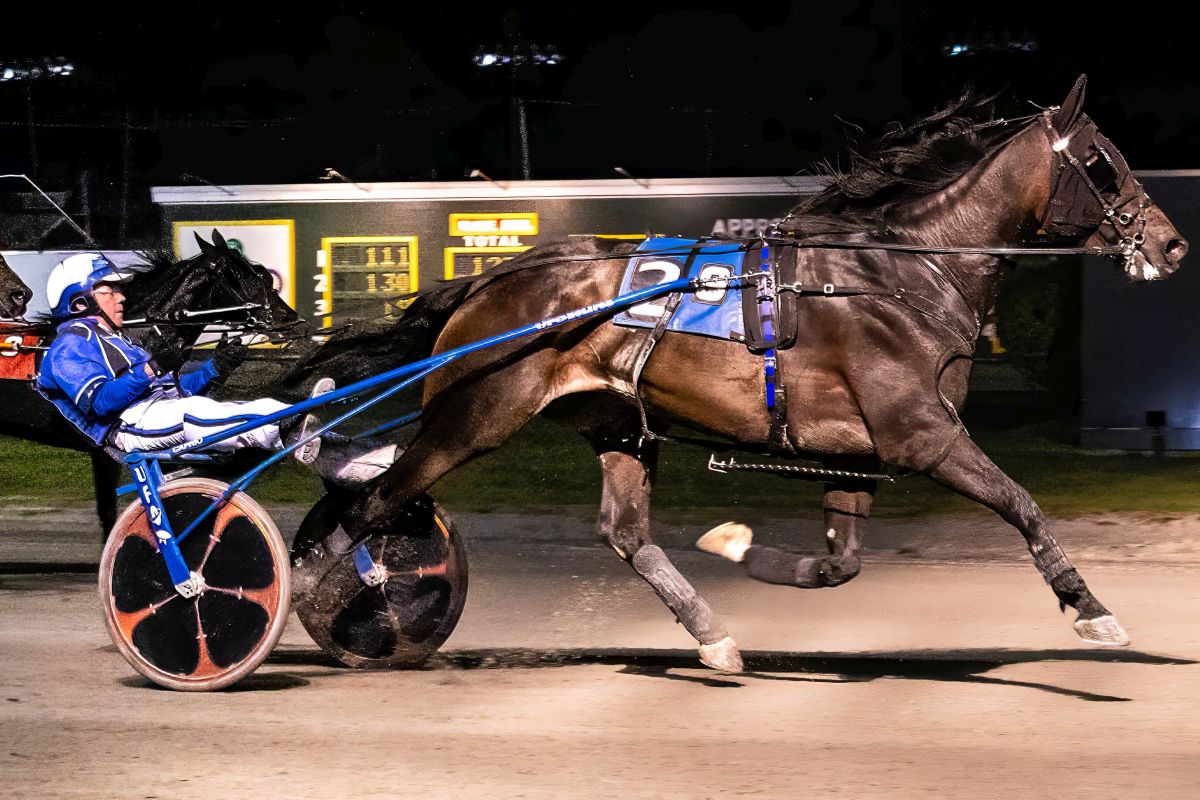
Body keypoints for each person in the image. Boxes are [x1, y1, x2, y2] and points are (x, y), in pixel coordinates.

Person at [33, 253, 383, 477]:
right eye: (107, 290)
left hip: (155, 412)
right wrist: (152, 368)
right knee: (196, 415)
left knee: (252, 407)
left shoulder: (119, 340)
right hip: (126, 427)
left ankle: (354, 461)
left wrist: (216, 368)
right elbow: (101, 403)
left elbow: (178, 391)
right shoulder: (68, 347)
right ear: (78, 302)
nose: (122, 296)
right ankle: (291, 426)